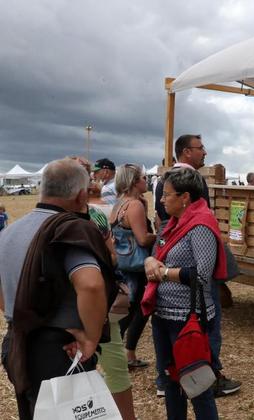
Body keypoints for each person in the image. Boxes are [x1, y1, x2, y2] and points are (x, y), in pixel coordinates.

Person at [0, 158, 116, 419]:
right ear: (81, 195)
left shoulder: (8, 233)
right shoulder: (69, 229)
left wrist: (23, 316)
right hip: (60, 350)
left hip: (17, 344)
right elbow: (91, 285)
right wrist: (92, 338)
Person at [154, 134, 241, 398]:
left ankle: (169, 379)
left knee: (170, 353)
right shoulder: (190, 183)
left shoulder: (165, 180)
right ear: (186, 152)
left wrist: (158, 266)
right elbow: (201, 274)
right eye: (200, 148)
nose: (204, 152)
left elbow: (161, 224)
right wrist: (161, 268)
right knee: (205, 328)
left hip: (168, 299)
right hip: (186, 299)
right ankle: (207, 378)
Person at [145, 168, 225, 420]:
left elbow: (202, 276)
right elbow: (157, 255)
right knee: (171, 381)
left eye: (166, 194)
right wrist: (149, 261)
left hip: (189, 318)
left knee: (197, 386)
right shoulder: (171, 224)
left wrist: (163, 273)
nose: (161, 200)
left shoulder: (200, 226)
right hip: (163, 315)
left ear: (185, 197)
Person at [71, 156, 136, 420]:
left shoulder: (51, 218)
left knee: (75, 370)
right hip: (97, 303)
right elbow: (112, 257)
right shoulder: (96, 214)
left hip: (74, 306)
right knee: (114, 366)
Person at [110, 164, 156, 371]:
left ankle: (123, 356)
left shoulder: (119, 204)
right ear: (134, 181)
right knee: (134, 311)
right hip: (137, 266)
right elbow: (143, 239)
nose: (147, 181)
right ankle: (118, 358)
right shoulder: (134, 205)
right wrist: (161, 235)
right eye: (144, 178)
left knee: (129, 310)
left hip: (123, 264)